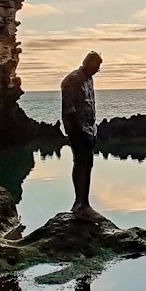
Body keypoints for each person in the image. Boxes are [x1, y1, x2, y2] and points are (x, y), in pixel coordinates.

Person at [61, 50, 102, 217]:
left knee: (88, 164)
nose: (97, 70)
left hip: (89, 129)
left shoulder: (88, 79)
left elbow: (89, 103)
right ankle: (79, 203)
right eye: (96, 67)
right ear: (88, 63)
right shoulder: (72, 80)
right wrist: (76, 130)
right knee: (80, 164)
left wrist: (93, 128)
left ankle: (85, 203)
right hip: (78, 129)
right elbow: (69, 109)